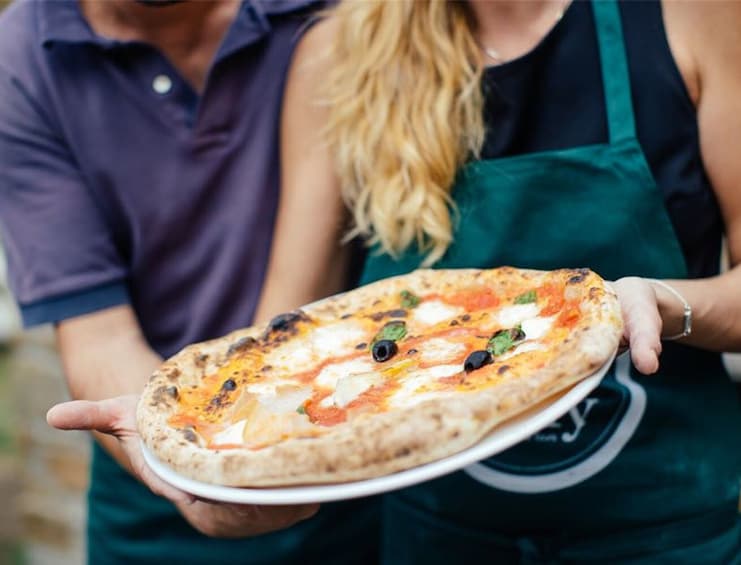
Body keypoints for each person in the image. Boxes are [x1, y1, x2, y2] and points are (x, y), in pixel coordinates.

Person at [256, 0, 741, 562]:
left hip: (664, 529)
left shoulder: (690, 14)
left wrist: (665, 303)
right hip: (437, 537)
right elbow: (282, 339)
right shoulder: (338, 52)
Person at [0, 0, 378, 563]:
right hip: (151, 482)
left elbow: (288, 320)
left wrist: (254, 441)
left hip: (353, 456)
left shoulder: (330, 15)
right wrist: (183, 454)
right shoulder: (23, 60)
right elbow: (98, 335)